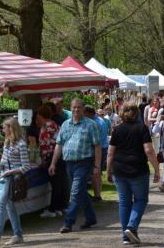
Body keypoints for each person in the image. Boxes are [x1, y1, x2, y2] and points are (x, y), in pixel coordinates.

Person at [106, 103, 161, 245]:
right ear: (137, 113)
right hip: (138, 170)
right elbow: (149, 150)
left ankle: (126, 237)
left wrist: (108, 170)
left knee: (124, 203)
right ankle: (131, 227)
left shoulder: (117, 130)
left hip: (119, 169)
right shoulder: (142, 128)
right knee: (141, 200)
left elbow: (110, 153)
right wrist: (156, 169)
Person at [48, 98, 102, 233]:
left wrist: (97, 166)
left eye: (79, 107)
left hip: (84, 163)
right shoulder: (65, 125)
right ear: (70, 108)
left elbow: (97, 146)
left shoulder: (91, 124)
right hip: (69, 164)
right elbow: (59, 145)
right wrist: (53, 163)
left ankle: (68, 222)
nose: (76, 110)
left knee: (75, 192)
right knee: (81, 192)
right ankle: (91, 218)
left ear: (83, 109)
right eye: (74, 107)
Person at [0, 117, 30, 246]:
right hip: (4, 178)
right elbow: (4, 160)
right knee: (10, 207)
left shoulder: (21, 144)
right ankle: (18, 235)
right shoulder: (7, 143)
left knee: (0, 205)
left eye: (4, 128)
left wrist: (10, 171)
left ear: (11, 128)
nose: (3, 130)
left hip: (12, 179)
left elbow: (26, 167)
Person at [35, 105, 64, 218]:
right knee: (58, 183)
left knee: (54, 184)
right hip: (58, 156)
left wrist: (42, 159)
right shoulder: (55, 125)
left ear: (40, 115)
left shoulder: (45, 127)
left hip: (50, 157)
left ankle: (52, 209)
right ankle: (58, 207)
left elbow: (45, 145)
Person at [85, 105, 109, 202]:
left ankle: (97, 195)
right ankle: (98, 194)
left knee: (95, 173)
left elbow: (94, 140)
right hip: (103, 147)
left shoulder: (94, 122)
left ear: (88, 113)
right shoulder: (100, 120)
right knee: (97, 173)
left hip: (98, 149)